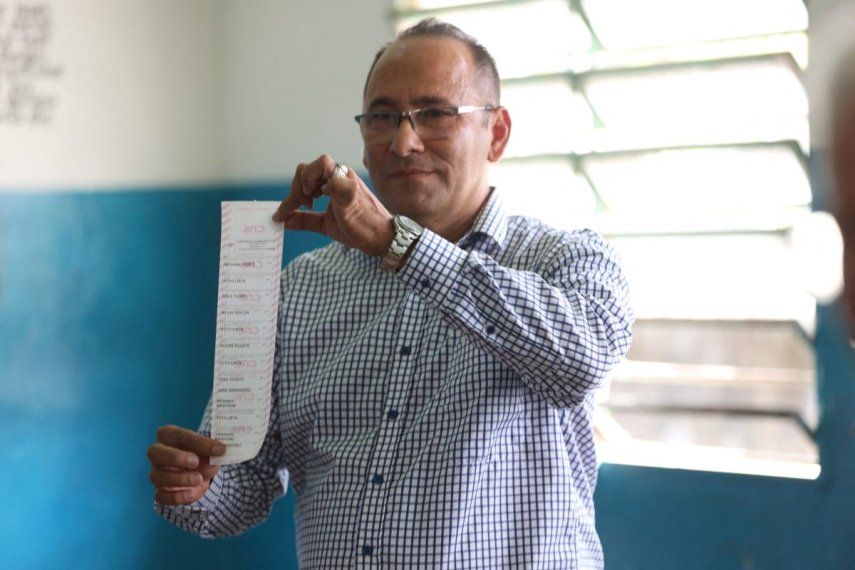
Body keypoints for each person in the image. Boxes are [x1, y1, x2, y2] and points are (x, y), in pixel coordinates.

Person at [148, 19, 633, 568]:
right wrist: (199, 487)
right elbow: (245, 483)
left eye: (436, 114)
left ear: (496, 134)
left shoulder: (568, 262)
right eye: (382, 117)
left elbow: (578, 363)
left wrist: (397, 245)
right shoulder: (301, 289)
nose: (404, 143)